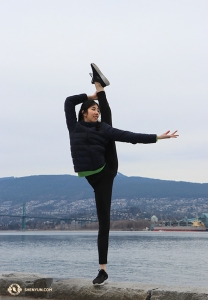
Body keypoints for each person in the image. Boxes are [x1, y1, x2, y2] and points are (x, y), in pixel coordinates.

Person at [64, 63, 179, 285]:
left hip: (106, 171)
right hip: (90, 176)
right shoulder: (74, 127)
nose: (96, 111)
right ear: (83, 112)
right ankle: (100, 86)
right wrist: (93, 94)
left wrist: (157, 137)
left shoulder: (102, 128)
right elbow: (69, 101)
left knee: (103, 222)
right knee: (108, 126)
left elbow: (130, 136)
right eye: (93, 108)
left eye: (98, 108)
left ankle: (102, 270)